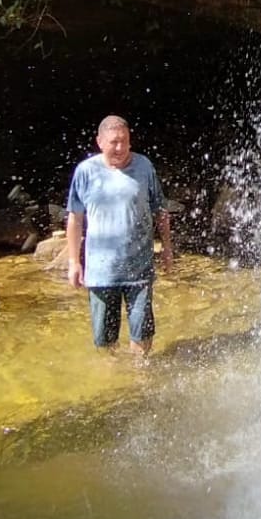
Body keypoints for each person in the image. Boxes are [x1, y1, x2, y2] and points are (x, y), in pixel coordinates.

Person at [66, 114, 174, 357]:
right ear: (100, 142)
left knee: (143, 334)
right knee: (105, 342)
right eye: (114, 142)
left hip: (140, 269)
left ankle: (140, 378)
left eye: (124, 141)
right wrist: (74, 262)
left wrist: (167, 249)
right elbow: (75, 218)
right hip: (101, 272)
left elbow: (160, 210)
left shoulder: (144, 166)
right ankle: (114, 384)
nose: (120, 148)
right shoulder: (85, 172)